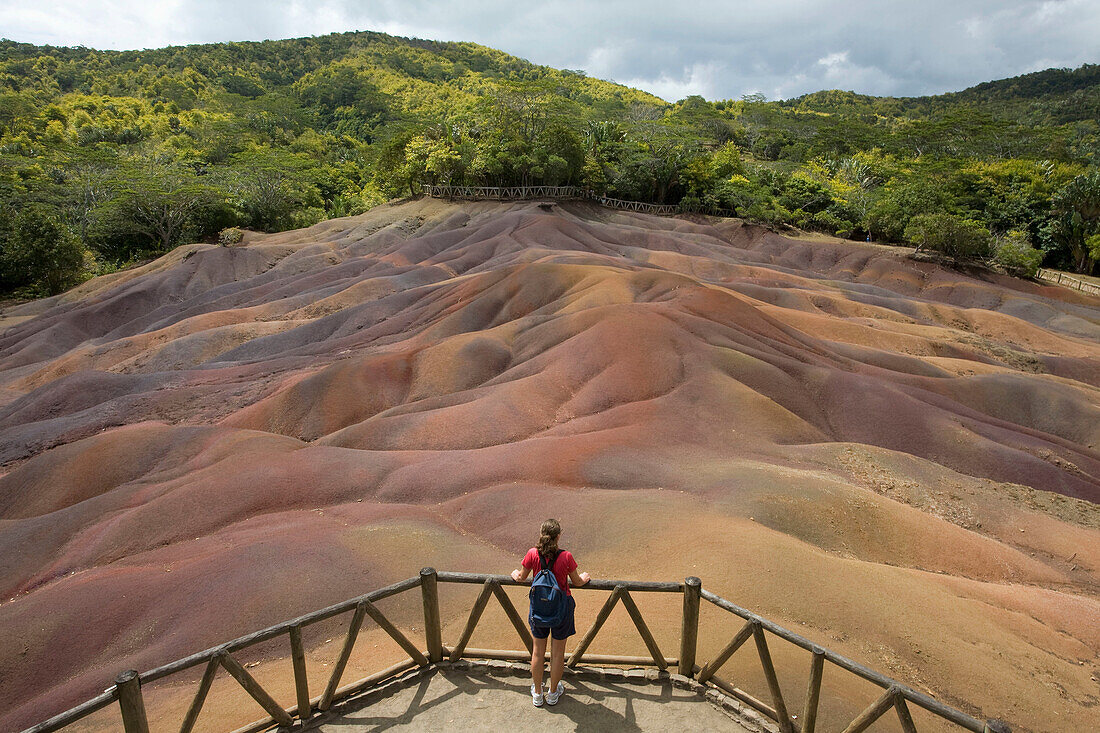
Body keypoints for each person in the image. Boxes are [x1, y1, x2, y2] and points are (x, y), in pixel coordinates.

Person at [511, 518, 590, 707]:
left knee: (537, 653)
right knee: (557, 654)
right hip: (561, 609)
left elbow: (521, 577)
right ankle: (553, 692)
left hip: (539, 609)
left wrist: (514, 574)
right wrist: (586, 577)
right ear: (558, 536)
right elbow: (577, 581)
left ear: (541, 534)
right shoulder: (566, 557)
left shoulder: (532, 554)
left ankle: (537, 693)